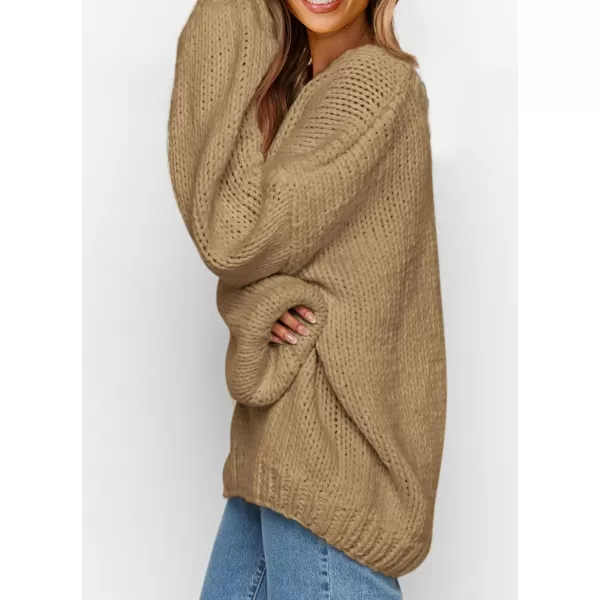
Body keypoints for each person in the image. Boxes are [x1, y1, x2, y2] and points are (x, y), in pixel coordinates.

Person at [167, 0, 447, 598]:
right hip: (282, 458)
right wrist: (254, 302)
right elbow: (274, 263)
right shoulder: (304, 94)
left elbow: (237, 239)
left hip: (330, 468)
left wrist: (251, 294)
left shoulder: (370, 83)